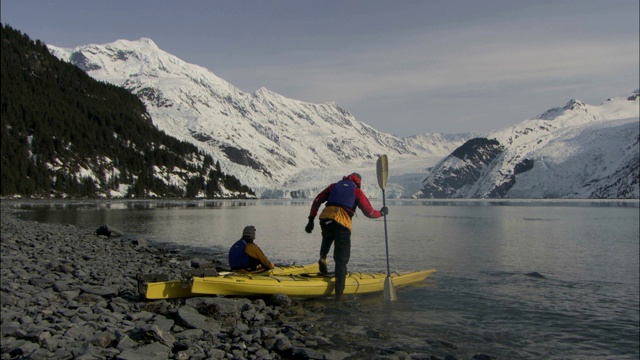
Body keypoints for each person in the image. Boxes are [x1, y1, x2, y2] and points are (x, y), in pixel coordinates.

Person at [304, 173, 388, 300]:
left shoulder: (333, 186)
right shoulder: (356, 191)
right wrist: (382, 213)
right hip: (342, 222)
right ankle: (339, 295)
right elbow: (369, 212)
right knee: (341, 260)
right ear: (359, 181)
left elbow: (317, 200)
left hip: (325, 218)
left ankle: (322, 257)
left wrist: (311, 220)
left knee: (327, 235)